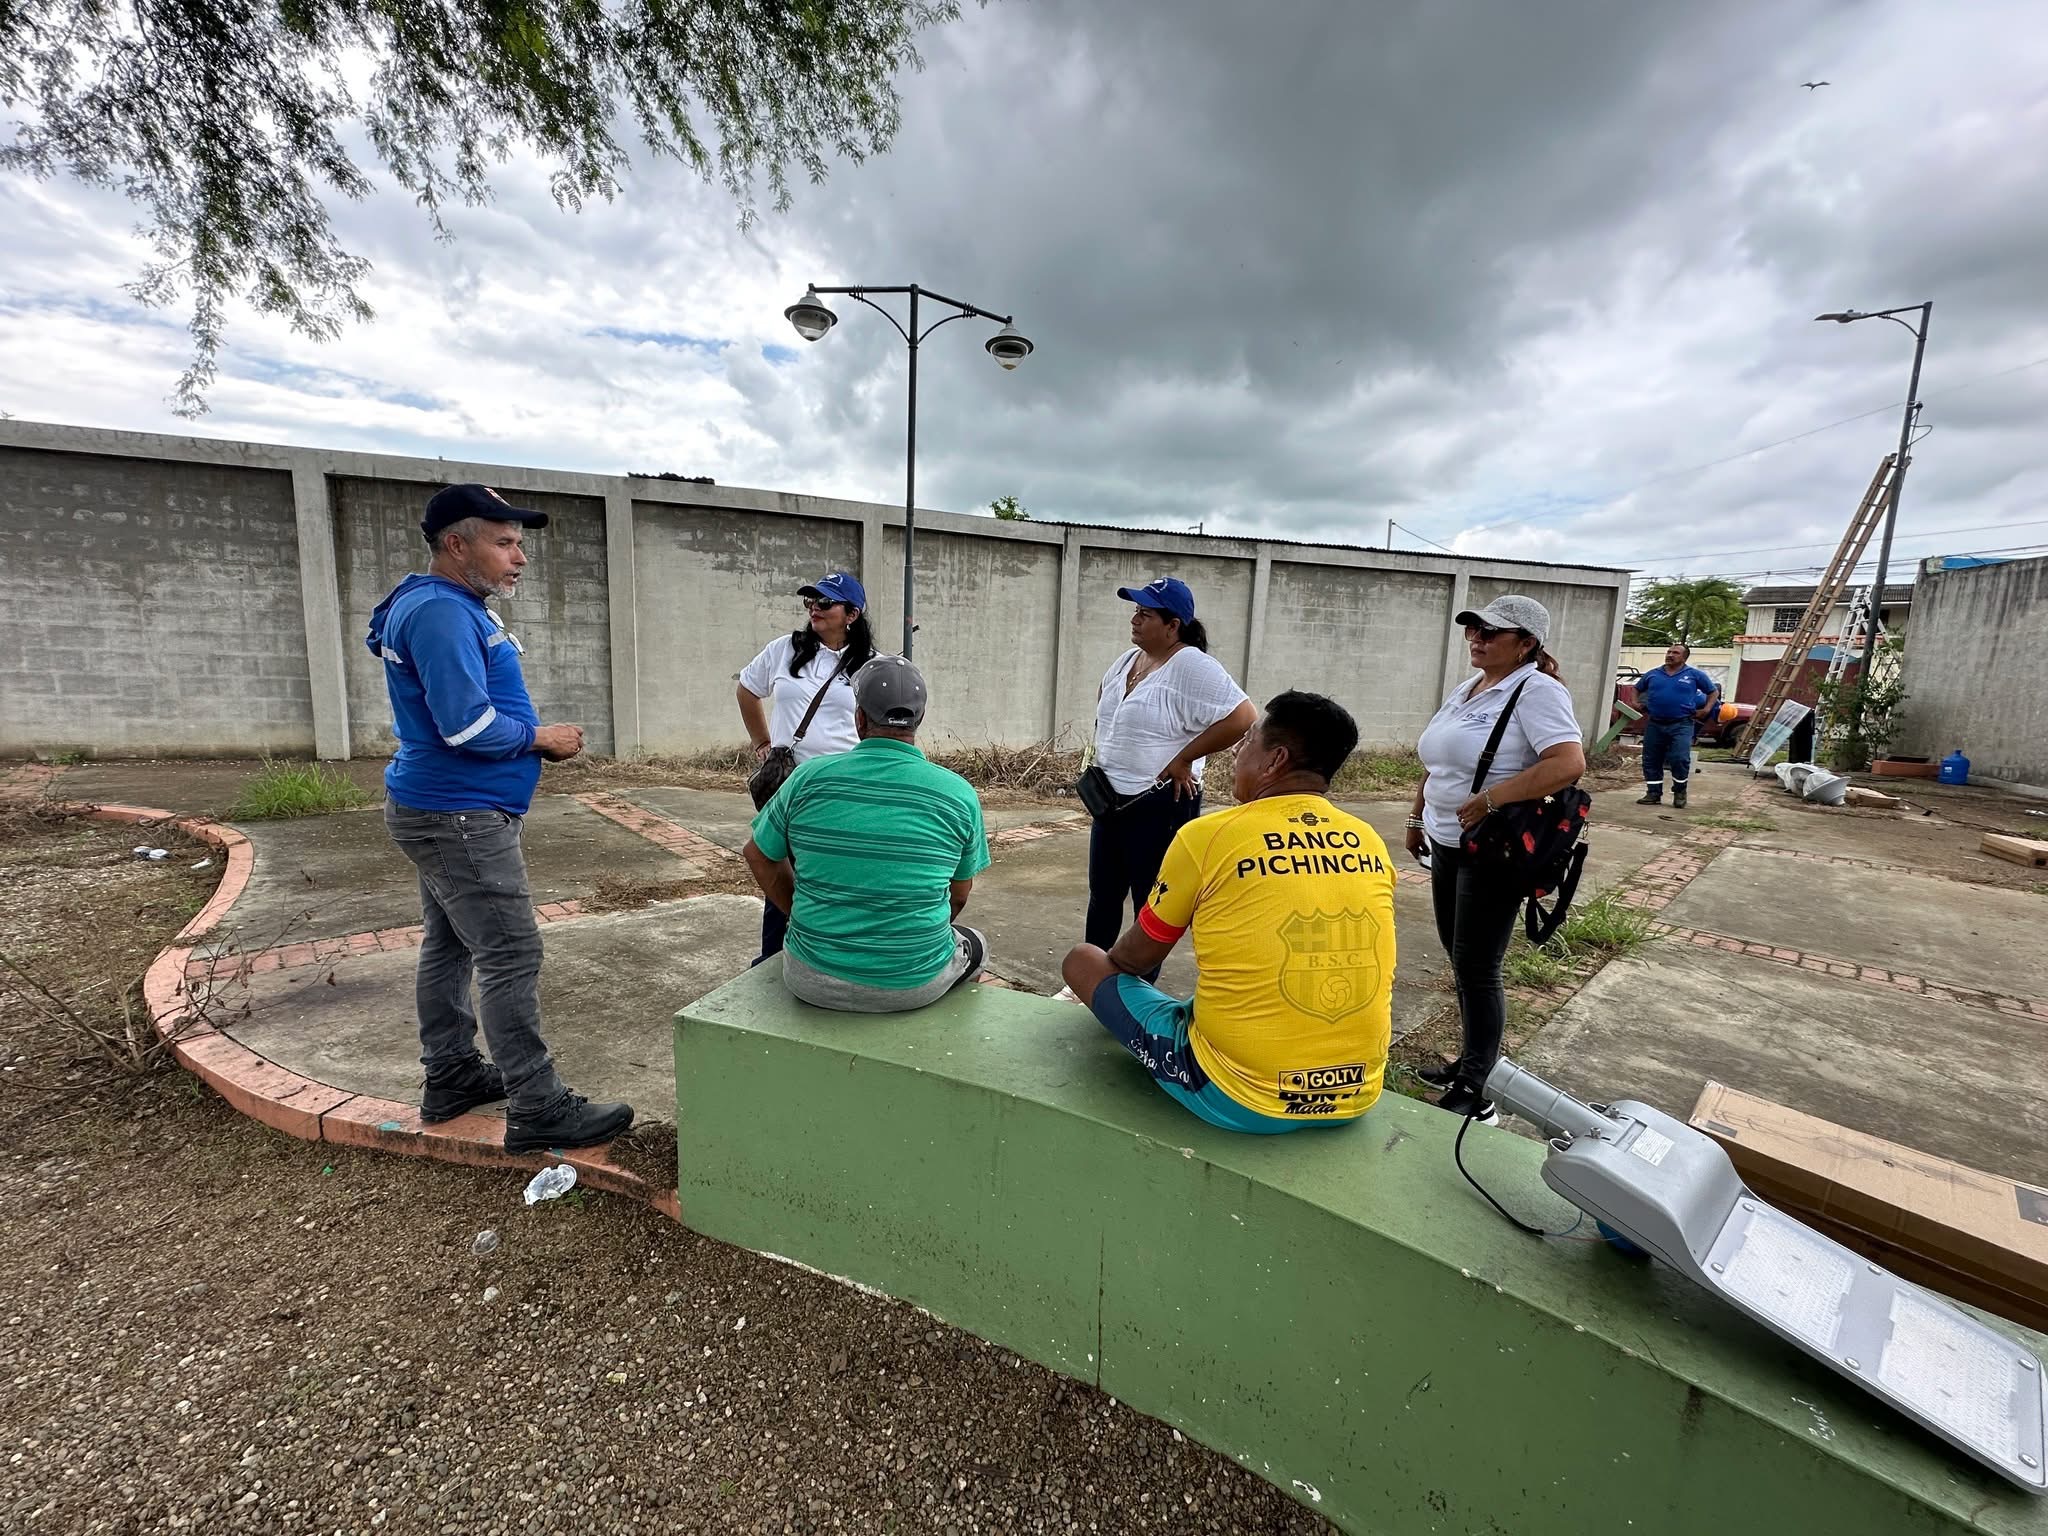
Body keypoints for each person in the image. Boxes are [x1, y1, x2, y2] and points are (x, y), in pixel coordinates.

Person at [366, 483, 634, 1153]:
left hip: (445, 807)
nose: (520, 557)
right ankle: (538, 1106)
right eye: (505, 543)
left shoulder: (436, 603)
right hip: (459, 813)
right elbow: (465, 727)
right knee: (510, 952)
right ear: (457, 545)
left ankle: (452, 1075)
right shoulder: (442, 613)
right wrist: (542, 738)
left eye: (519, 543)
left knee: (451, 944)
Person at [1062, 691, 1396, 1133]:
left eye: (1249, 739)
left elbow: (1137, 958)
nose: (1237, 750)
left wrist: (1116, 967)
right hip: (1356, 1095)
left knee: (1084, 960)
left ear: (1275, 760)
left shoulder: (1208, 836)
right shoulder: (1368, 839)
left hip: (1238, 1096)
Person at [1406, 595, 1587, 1124]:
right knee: (1459, 955)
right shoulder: (1470, 688)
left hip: (1493, 848)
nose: (1477, 638)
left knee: (1478, 966)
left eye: (1491, 632)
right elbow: (1438, 762)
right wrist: (1418, 816)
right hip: (1448, 840)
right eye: (1473, 629)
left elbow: (1567, 763)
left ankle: (1477, 1086)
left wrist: (1492, 799)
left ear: (1526, 644)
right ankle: (1470, 1060)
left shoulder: (1537, 690)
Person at [742, 655, 992, 1012]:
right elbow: (959, 896)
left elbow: (757, 854)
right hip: (913, 985)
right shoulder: (959, 794)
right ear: (919, 719)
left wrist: (797, 912)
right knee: (976, 943)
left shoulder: (807, 777)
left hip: (809, 978)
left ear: (859, 718)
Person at [1085, 577, 1257, 976]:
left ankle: (1138, 988)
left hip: (1158, 802)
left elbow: (1243, 717)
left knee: (1151, 902)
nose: (1135, 620)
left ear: (1172, 625)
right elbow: (1105, 701)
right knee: (1103, 895)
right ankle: (1092, 977)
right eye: (1136, 611)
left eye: (1145, 614)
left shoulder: (1192, 666)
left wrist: (1185, 757)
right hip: (1110, 800)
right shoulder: (1128, 660)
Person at [736, 570, 874, 962]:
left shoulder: (871, 665)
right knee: (781, 868)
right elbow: (747, 690)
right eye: (810, 600)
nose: (814, 608)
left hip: (845, 789)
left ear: (852, 614)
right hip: (791, 786)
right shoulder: (783, 650)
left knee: (836, 873)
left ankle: (832, 955)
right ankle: (772, 959)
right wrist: (763, 743)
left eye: (825, 602)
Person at [1632, 641, 1721, 808]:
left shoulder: (1694, 675)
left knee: (1680, 758)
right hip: (1655, 723)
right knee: (1651, 759)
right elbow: (1637, 688)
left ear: (1684, 658)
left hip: (1681, 724)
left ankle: (1680, 792)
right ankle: (1653, 793)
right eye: (1669, 652)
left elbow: (1713, 691)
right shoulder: (1653, 674)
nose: (1670, 655)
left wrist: (1707, 709)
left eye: (1675, 653)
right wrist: (1635, 702)